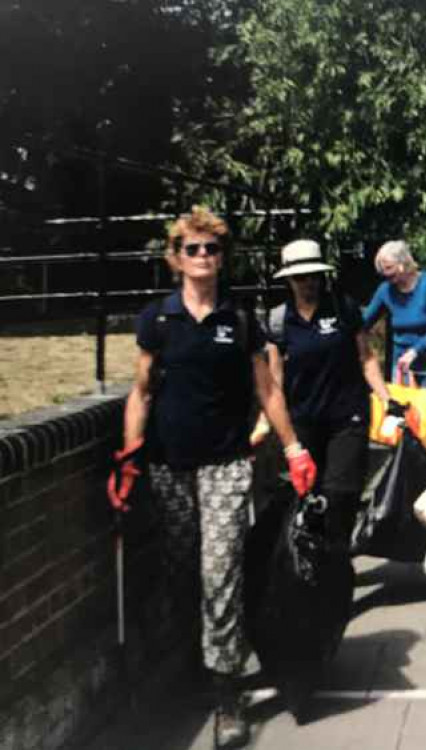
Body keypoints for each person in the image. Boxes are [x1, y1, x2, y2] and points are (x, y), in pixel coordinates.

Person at [106, 207, 317, 750]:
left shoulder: (239, 320)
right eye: (193, 249)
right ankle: (189, 674)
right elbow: (143, 392)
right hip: (168, 465)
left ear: (223, 258)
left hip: (225, 465)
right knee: (182, 574)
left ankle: (228, 697)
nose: (203, 258)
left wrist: (292, 448)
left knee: (220, 570)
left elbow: (268, 392)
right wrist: (129, 456)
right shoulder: (157, 320)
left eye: (212, 250)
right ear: (176, 257)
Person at [261, 239, 399, 549]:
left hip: (347, 417)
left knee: (341, 496)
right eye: (300, 277)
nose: (308, 283)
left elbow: (366, 358)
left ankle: (338, 568)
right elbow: (273, 381)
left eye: (313, 276)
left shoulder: (342, 308)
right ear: (289, 280)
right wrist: (267, 421)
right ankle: (318, 568)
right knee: (311, 498)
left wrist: (386, 398)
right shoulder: (279, 320)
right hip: (303, 421)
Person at [363, 240, 426, 385]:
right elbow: (363, 323)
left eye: (388, 267)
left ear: (403, 263)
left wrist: (416, 351)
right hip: (401, 367)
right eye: (382, 269)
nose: (385, 273)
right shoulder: (385, 290)